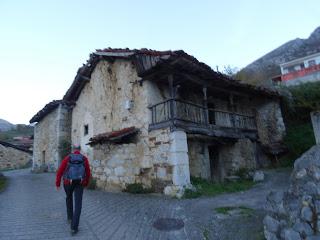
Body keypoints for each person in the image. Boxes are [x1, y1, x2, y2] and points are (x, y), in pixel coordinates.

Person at [55, 145, 91, 235]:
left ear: (73, 150)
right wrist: (85, 183)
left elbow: (60, 171)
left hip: (68, 182)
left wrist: (58, 184)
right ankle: (74, 228)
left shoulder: (67, 158)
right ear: (80, 150)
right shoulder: (84, 159)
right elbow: (88, 172)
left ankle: (70, 217)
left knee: (68, 197)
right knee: (78, 204)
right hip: (80, 183)